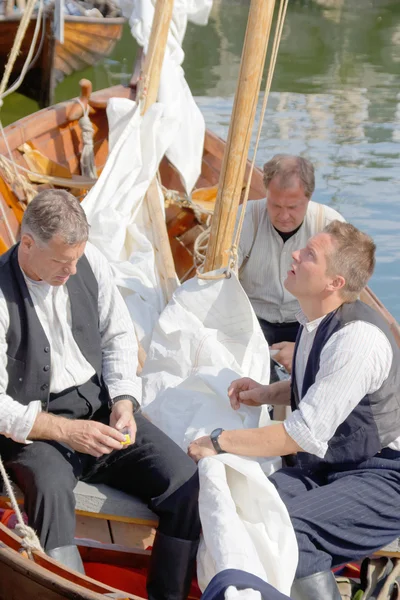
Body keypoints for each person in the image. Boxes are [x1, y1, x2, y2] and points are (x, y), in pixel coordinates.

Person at [0, 190, 200, 600]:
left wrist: (125, 400)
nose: (72, 270)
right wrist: (64, 432)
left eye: (77, 258)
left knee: (185, 483)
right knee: (52, 491)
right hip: (35, 427)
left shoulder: (89, 264)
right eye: (61, 261)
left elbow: (119, 337)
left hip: (101, 410)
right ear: (28, 243)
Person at [189, 220, 400, 600]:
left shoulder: (357, 340)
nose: (295, 254)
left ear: (334, 282)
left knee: (290, 532)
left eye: (310, 255)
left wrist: (219, 442)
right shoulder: (314, 319)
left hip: (386, 476)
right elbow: (323, 391)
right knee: (250, 510)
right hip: (332, 465)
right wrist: (267, 393)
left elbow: (297, 434)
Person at [237, 154, 344, 373]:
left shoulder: (331, 226)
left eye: (293, 207)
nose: (283, 216)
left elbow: (344, 301)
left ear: (309, 197)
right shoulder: (243, 219)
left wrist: (304, 348)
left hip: (309, 322)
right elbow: (220, 282)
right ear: (266, 191)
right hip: (251, 320)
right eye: (275, 205)